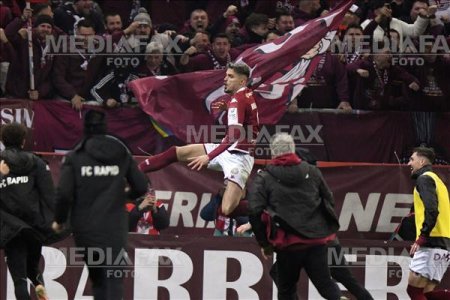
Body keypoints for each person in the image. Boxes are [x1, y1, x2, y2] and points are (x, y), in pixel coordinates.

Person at [139, 62, 259, 217]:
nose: (225, 79)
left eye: (230, 76)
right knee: (178, 152)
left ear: (242, 81)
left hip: (239, 157)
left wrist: (208, 156)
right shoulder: (245, 94)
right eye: (226, 75)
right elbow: (246, 118)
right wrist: (228, 108)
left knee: (227, 209)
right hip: (231, 149)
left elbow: (233, 135)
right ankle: (135, 171)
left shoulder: (238, 100)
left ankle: (264, 207)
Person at [52, 110, 148, 300]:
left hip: (86, 229)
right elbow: (141, 185)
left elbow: (63, 193)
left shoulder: (75, 156)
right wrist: (126, 196)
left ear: (85, 127)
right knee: (114, 278)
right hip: (114, 227)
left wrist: (59, 220)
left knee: (98, 279)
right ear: (106, 126)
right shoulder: (121, 151)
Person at [248, 133, 342, 300]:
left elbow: (254, 211)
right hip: (316, 241)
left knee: (286, 291)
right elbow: (329, 200)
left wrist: (264, 243)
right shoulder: (313, 172)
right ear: (293, 150)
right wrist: (322, 227)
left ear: (272, 153)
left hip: (288, 245)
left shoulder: (264, 177)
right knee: (326, 285)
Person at [0, 123, 55, 300]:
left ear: (2, 140)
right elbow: (50, 196)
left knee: (19, 281)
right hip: (33, 227)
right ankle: (40, 290)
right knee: (33, 271)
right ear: (23, 142)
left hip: (11, 228)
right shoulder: (37, 162)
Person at [406, 147, 450, 300]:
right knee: (426, 293)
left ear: (422, 161)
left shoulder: (424, 178)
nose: (408, 163)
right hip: (444, 243)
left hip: (432, 242)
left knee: (414, 291)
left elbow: (432, 210)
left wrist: (422, 236)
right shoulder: (438, 181)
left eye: (412, 159)